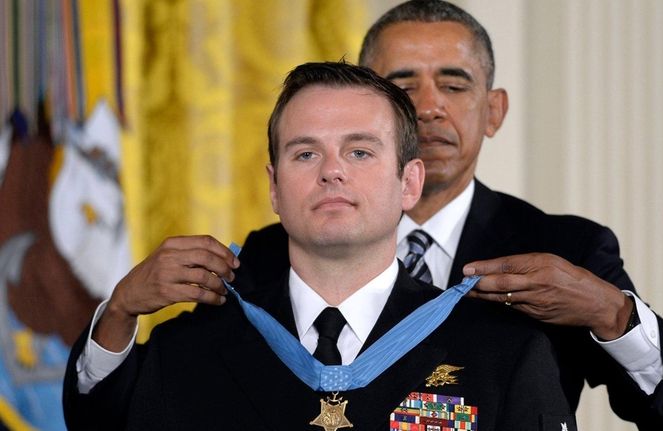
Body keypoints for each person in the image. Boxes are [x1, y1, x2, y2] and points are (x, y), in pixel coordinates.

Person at [239, 1, 663, 430]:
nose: (429, 107)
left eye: (455, 85)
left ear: (495, 111)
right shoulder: (272, 251)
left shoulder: (565, 248)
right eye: (402, 86)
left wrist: (614, 316)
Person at [62, 62, 575, 430]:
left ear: (409, 183)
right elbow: (98, 419)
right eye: (305, 153)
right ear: (274, 188)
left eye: (359, 151)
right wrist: (120, 311)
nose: (332, 170)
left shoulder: (503, 353)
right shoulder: (187, 350)